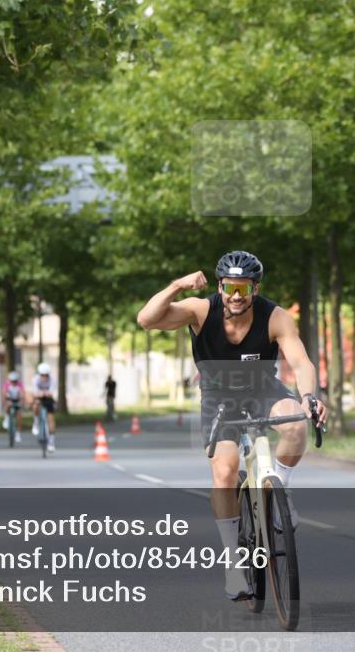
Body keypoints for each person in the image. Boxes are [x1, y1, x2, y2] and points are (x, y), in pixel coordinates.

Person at [136, 250, 327, 601]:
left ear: (255, 288)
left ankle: (276, 493)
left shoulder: (275, 316)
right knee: (225, 471)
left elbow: (300, 362)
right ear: (220, 286)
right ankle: (232, 564)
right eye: (229, 288)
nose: (235, 296)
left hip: (263, 390)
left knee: (297, 426)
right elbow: (146, 319)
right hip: (218, 397)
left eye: (243, 288)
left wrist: (309, 396)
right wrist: (178, 285)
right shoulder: (200, 310)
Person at [30, 362, 57, 452]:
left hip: (48, 398)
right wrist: (40, 394)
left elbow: (51, 391)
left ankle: (51, 442)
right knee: (35, 404)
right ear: (39, 374)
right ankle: (36, 422)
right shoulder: (35, 379)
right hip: (39, 398)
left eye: (46, 375)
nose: (44, 377)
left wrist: (46, 393)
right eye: (42, 375)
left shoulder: (53, 379)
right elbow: (35, 392)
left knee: (51, 419)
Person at [2, 371, 26, 444]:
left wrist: (21, 402)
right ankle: (6, 418)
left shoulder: (20, 385)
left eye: (15, 381)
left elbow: (22, 394)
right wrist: (5, 402)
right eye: (12, 381)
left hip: (17, 400)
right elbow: (4, 394)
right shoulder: (7, 385)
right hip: (9, 399)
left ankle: (18, 434)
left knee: (19, 416)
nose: (13, 383)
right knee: (8, 405)